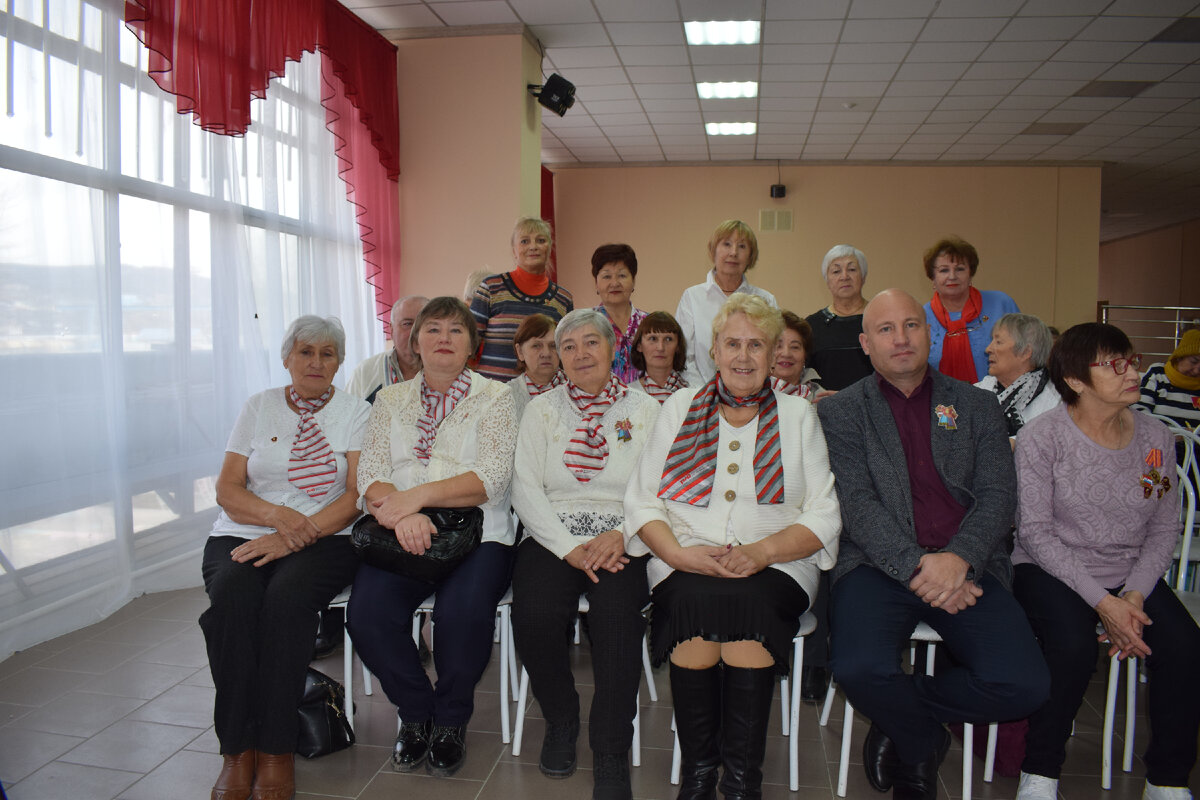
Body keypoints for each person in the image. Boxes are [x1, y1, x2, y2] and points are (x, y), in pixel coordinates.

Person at [817, 289, 1049, 800]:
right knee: (856, 667)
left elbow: (997, 495)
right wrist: (921, 567)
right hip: (876, 566)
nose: (901, 338)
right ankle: (921, 741)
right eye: (885, 329)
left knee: (1024, 685)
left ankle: (898, 717)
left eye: (912, 326)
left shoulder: (977, 404)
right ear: (865, 344)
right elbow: (855, 506)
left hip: (969, 564)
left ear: (929, 334)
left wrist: (959, 560)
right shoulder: (841, 412)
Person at [625, 294, 841, 800]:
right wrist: (678, 555)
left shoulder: (797, 416)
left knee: (748, 607)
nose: (744, 356)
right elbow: (642, 500)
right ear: (714, 351)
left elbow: (824, 512)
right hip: (686, 554)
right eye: (732, 344)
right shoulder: (679, 406)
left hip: (780, 561)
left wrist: (763, 552)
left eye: (756, 345)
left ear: (772, 355)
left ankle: (742, 779)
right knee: (692, 602)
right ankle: (702, 772)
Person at [1011, 322, 1200, 800]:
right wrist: (1104, 603)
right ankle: (1041, 772)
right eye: (1114, 364)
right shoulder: (1042, 438)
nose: (1131, 372)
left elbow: (1163, 526)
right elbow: (1034, 533)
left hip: (1131, 571)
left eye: (1131, 360)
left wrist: (1133, 594)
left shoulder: (1155, 438)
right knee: (1072, 646)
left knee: (1185, 649)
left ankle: (1168, 779)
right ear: (1075, 380)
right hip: (1050, 567)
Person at [345, 297, 518, 778]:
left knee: (460, 615)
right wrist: (402, 516)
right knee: (368, 615)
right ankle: (417, 711)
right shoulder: (390, 398)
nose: (444, 338)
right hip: (401, 528)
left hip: (478, 531)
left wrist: (416, 498)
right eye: (433, 329)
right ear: (414, 341)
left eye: (456, 331)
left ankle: (451, 720)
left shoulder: (496, 397)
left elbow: (491, 479)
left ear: (473, 345)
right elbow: (372, 476)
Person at [200, 315, 369, 800]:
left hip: (328, 536)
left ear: (339, 362)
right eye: (305, 351)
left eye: (327, 353)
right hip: (246, 528)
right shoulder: (258, 406)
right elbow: (227, 490)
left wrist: (299, 532)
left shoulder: (357, 412)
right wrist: (279, 519)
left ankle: (275, 748)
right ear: (287, 357)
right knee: (231, 601)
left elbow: (356, 495)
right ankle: (237, 748)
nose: (316, 362)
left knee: (286, 602)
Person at [510, 309, 660, 800]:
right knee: (532, 612)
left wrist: (623, 533)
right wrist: (568, 548)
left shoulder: (645, 411)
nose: (579, 354)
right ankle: (561, 719)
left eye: (590, 343)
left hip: (620, 536)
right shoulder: (542, 410)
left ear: (613, 348)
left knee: (617, 620)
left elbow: (658, 487)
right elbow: (525, 489)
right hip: (553, 534)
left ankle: (612, 749)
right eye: (568, 346)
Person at [470, 217, 574, 381]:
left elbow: (567, 352)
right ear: (514, 250)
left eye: (540, 240)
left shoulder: (563, 299)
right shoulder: (491, 287)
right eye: (525, 241)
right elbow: (468, 343)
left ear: (549, 248)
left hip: (543, 397)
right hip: (493, 397)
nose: (533, 246)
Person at [676, 220, 777, 387]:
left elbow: (772, 355)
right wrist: (706, 394)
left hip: (753, 395)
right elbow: (685, 358)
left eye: (742, 246)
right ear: (713, 250)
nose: (733, 252)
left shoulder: (766, 300)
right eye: (727, 244)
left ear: (751, 256)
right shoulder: (692, 297)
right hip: (701, 396)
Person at [922, 236, 1020, 383]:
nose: (952, 276)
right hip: (940, 404)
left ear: (970, 274)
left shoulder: (1001, 304)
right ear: (933, 278)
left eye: (960, 269)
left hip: (999, 399)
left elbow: (1025, 354)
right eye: (944, 270)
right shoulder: (921, 317)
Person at [974, 313, 1060, 436]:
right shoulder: (977, 391)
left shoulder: (1057, 400)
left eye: (998, 342)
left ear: (1025, 352)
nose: (988, 349)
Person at [805, 244, 873, 391]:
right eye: (836, 271)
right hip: (825, 409)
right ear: (827, 281)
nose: (844, 277)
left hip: (873, 408)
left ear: (863, 277)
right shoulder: (811, 325)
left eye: (852, 269)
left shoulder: (880, 318)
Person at [345, 296, 429, 402]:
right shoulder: (365, 372)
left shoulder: (450, 373)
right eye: (407, 324)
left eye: (423, 324)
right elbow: (345, 416)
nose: (415, 332)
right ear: (392, 330)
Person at [590, 243, 647, 384]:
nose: (614, 283)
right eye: (606, 276)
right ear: (596, 283)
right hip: (598, 403)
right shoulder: (585, 325)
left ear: (633, 281)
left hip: (646, 401)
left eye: (622, 275)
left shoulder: (648, 324)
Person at [1133, 328, 1200, 429]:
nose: (1196, 371)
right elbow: (1139, 409)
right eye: (1193, 362)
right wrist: (1166, 433)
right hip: (1158, 441)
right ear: (1179, 357)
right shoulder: (1158, 373)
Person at [507, 313, 564, 420]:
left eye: (553, 346)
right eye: (536, 346)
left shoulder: (577, 386)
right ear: (520, 352)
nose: (546, 353)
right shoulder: (506, 396)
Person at [629, 311, 689, 403]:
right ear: (639, 345)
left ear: (678, 346)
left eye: (668, 339)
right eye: (653, 338)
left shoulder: (693, 395)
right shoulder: (627, 395)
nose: (660, 348)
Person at [771, 311, 821, 400]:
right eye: (778, 346)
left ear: (805, 354)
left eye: (795, 347)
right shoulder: (746, 394)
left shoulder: (823, 399)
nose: (786, 354)